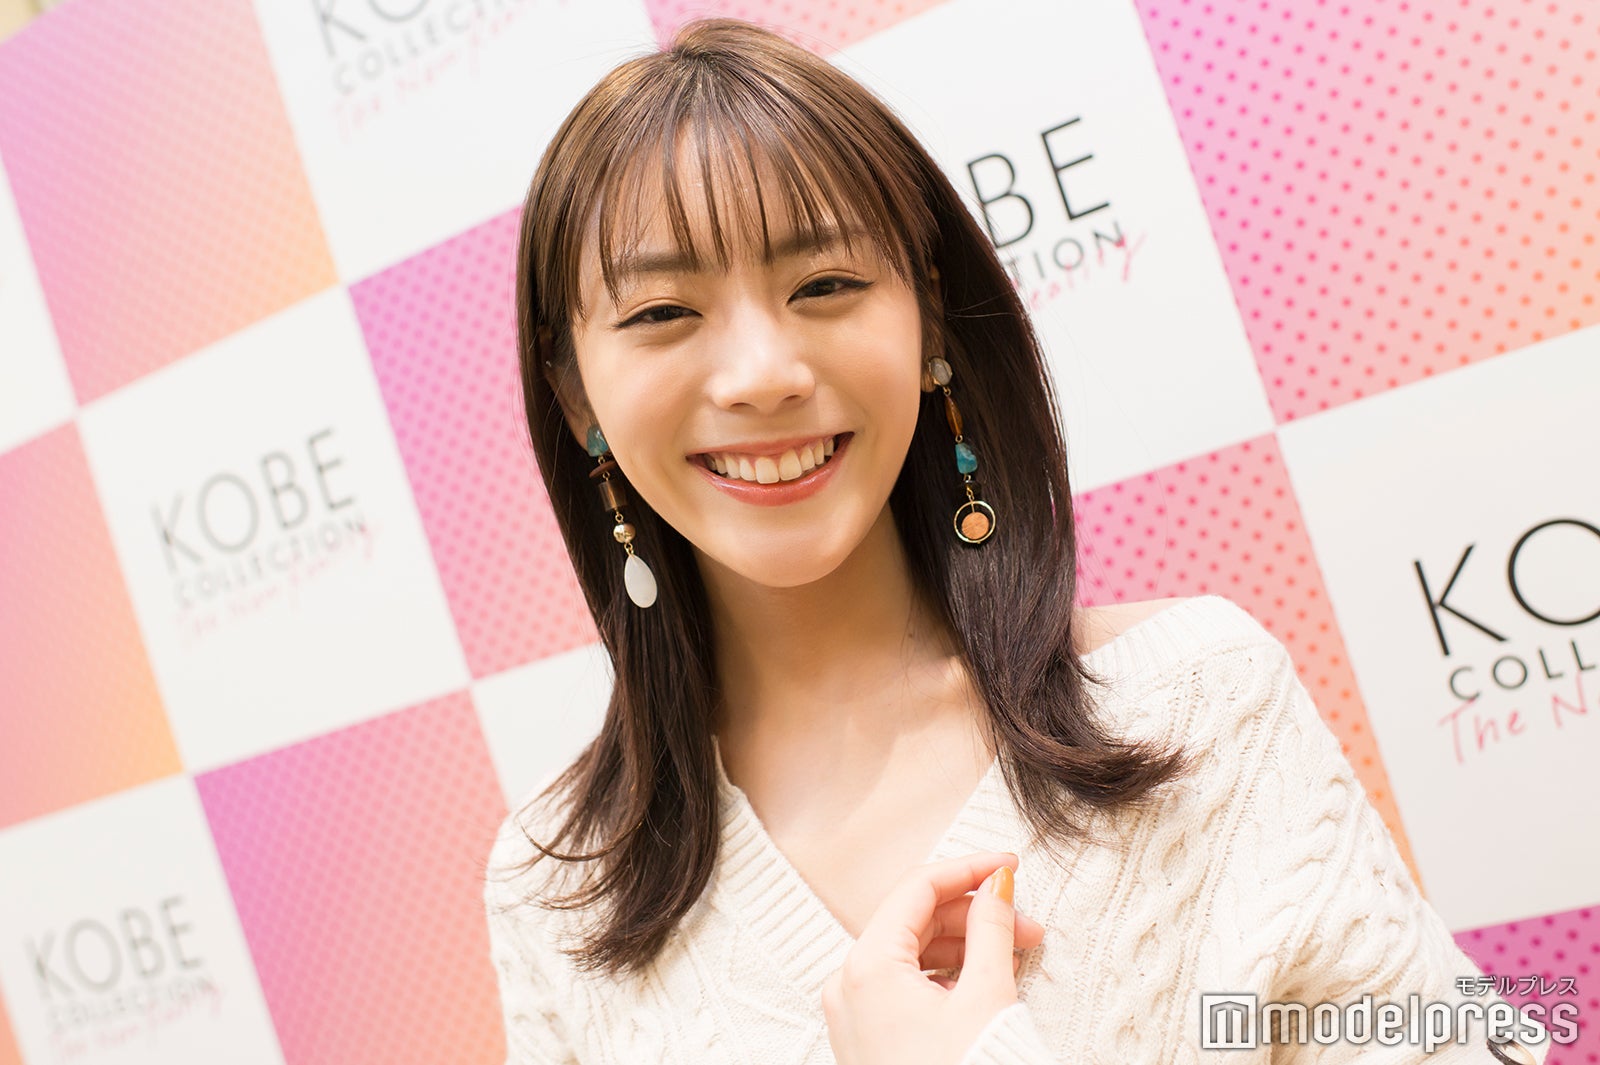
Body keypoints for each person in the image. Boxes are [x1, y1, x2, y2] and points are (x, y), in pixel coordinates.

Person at [483, 16, 1550, 1065]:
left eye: (825, 286)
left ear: (928, 316)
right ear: (574, 392)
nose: (763, 374)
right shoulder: (557, 887)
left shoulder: (1196, 708)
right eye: (662, 313)